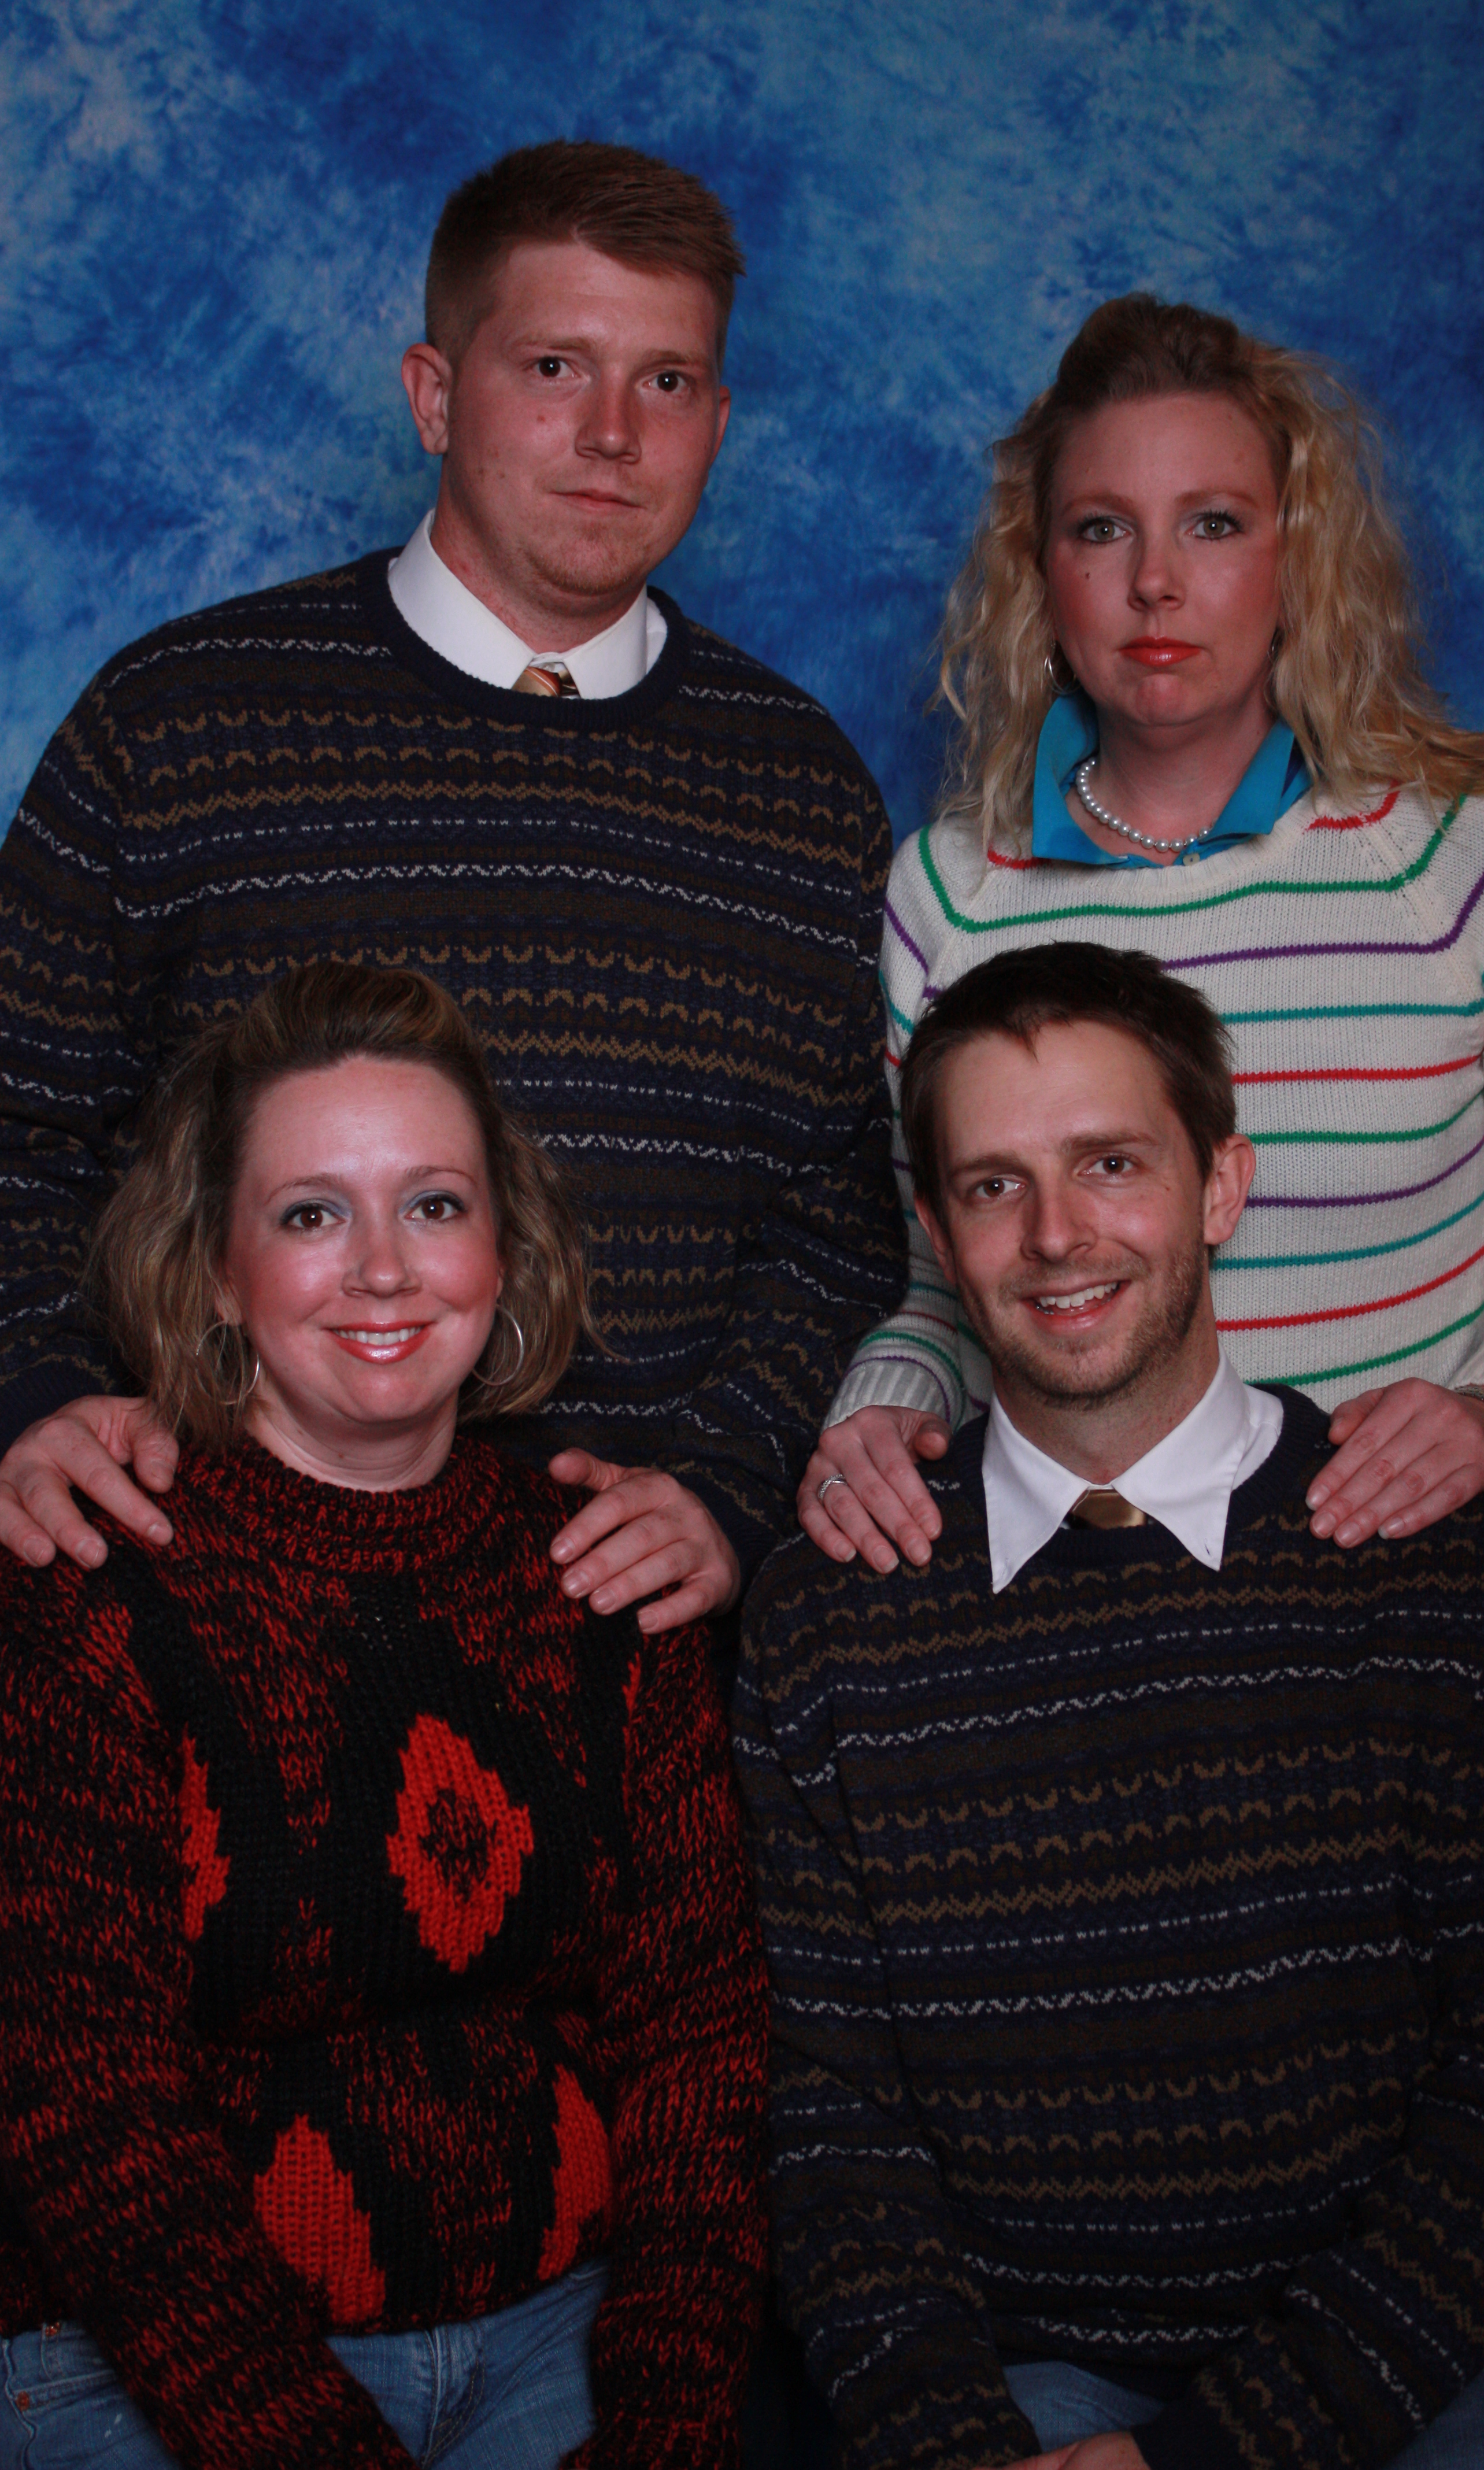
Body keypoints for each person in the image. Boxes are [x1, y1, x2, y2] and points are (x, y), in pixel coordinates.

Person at [738, 942, 1484, 2470]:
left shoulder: (1443, 1569)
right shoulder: (831, 1618)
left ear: (1221, 1186)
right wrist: (953, 2445)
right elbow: (827, 2127)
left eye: (1111, 1164)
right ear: (939, 1234)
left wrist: (1228, 2450)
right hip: (1028, 2374)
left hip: (1424, 2358)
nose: (1056, 1236)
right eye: (993, 1185)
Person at [0, 139, 902, 1637]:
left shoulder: (800, 790)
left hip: (635, 1643)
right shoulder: (180, 724)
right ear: (432, 395)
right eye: (553, 367)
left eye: (666, 381)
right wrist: (40, 1392)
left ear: (719, 422)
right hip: (211, 1612)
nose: (611, 434)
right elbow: (21, 1123)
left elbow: (843, 1219)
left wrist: (729, 1487)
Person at [0, 961, 768, 2470]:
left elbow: (701, 2048)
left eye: (433, 1204)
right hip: (149, 2358)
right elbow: (79, 2100)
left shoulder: (602, 1563)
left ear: (505, 1249)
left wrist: (667, 2427)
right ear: (216, 1271)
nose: (382, 1269)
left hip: (557, 2329)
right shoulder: (92, 1578)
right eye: (309, 1215)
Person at [801, 291, 1484, 1578]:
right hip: (1062, 1603)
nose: (1155, 582)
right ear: (1041, 571)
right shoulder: (947, 898)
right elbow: (938, 1285)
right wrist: (881, 1411)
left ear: (1294, 558)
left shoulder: (1462, 865)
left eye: (1213, 523)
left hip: (1388, 1594)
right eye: (1101, 529)